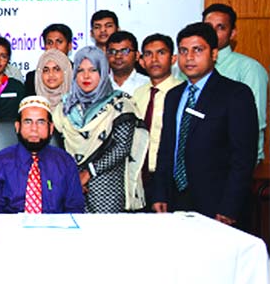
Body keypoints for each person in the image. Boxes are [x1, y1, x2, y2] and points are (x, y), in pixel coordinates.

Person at [152, 22, 258, 228]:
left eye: (197, 50)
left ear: (214, 54)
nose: (189, 57)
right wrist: (159, 194)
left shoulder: (235, 94)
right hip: (175, 200)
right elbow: (166, 150)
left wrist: (229, 206)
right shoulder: (174, 95)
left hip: (218, 205)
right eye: (183, 51)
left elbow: (243, 158)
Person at [52, 46, 147, 213]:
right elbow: (57, 147)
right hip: (72, 185)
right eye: (80, 70)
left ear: (103, 72)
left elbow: (121, 148)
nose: (86, 76)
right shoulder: (65, 107)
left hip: (107, 188)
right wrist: (74, 178)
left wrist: (87, 173)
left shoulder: (120, 104)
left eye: (93, 70)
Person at [0, 96, 84, 214]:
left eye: (41, 122)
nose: (34, 129)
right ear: (17, 127)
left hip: (55, 230)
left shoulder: (66, 162)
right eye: (27, 122)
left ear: (51, 128)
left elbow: (75, 209)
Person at [202, 3, 267, 163]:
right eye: (208, 27)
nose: (213, 33)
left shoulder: (249, 68)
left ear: (232, 33)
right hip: (199, 158)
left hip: (234, 160)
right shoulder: (190, 67)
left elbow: (254, 121)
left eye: (221, 27)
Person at [133, 34, 182, 207]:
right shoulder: (137, 94)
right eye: (148, 54)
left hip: (171, 178)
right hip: (139, 177)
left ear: (173, 58)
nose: (154, 59)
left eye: (161, 53)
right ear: (141, 60)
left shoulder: (181, 93)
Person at [24, 23, 73, 95]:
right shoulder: (32, 78)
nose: (54, 47)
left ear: (69, 46)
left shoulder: (78, 74)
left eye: (59, 42)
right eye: (50, 43)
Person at [106, 31, 150, 95]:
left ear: (137, 55)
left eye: (124, 51)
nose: (118, 56)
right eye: (112, 51)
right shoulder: (99, 85)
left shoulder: (147, 84)